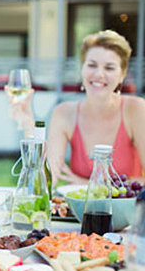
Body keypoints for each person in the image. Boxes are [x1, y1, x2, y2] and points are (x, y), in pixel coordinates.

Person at [9, 30, 145, 185]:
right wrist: (27, 123)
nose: (99, 74)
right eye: (92, 65)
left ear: (122, 74)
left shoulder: (135, 109)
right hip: (79, 209)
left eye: (109, 68)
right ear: (82, 69)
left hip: (129, 208)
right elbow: (46, 180)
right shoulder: (64, 113)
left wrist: (88, 185)